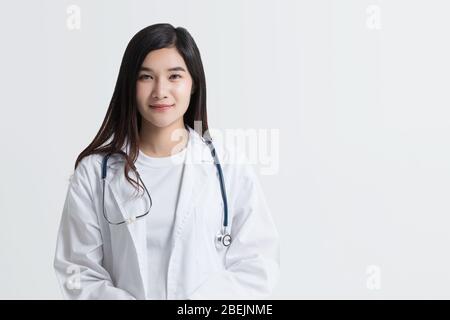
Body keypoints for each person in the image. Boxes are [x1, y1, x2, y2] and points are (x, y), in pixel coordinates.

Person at [53, 23, 280, 300]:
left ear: (193, 83)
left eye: (174, 76)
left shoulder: (229, 167)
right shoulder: (93, 174)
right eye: (146, 77)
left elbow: (257, 265)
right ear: (130, 84)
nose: (160, 91)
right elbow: (77, 271)